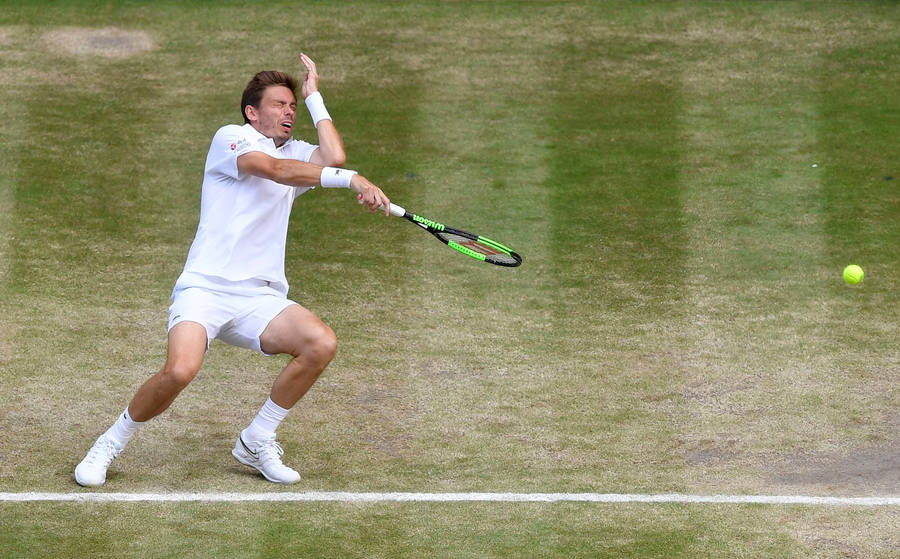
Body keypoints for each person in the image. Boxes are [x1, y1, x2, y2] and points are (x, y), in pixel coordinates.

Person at [75, 53, 390, 486]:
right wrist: (353, 179)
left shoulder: (297, 151)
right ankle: (110, 442)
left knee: (320, 343)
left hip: (259, 297)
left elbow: (332, 156)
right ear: (251, 112)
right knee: (180, 370)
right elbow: (276, 171)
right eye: (279, 104)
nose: (288, 111)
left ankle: (257, 438)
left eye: (292, 106)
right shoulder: (231, 139)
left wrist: (315, 98)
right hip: (205, 289)